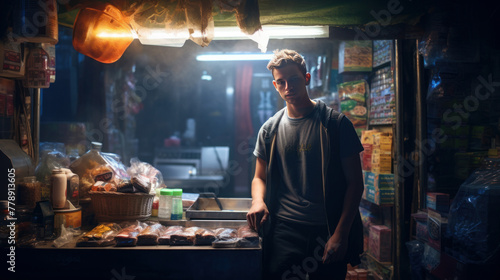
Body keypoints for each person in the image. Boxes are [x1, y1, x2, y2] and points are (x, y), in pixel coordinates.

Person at [247, 49, 365, 280]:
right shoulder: (269, 130)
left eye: (294, 79)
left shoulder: (336, 125)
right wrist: (258, 201)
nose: (288, 87)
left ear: (307, 78)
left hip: (326, 229)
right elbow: (259, 177)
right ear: (275, 85)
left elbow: (355, 184)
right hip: (284, 231)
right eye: (281, 82)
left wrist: (340, 234)